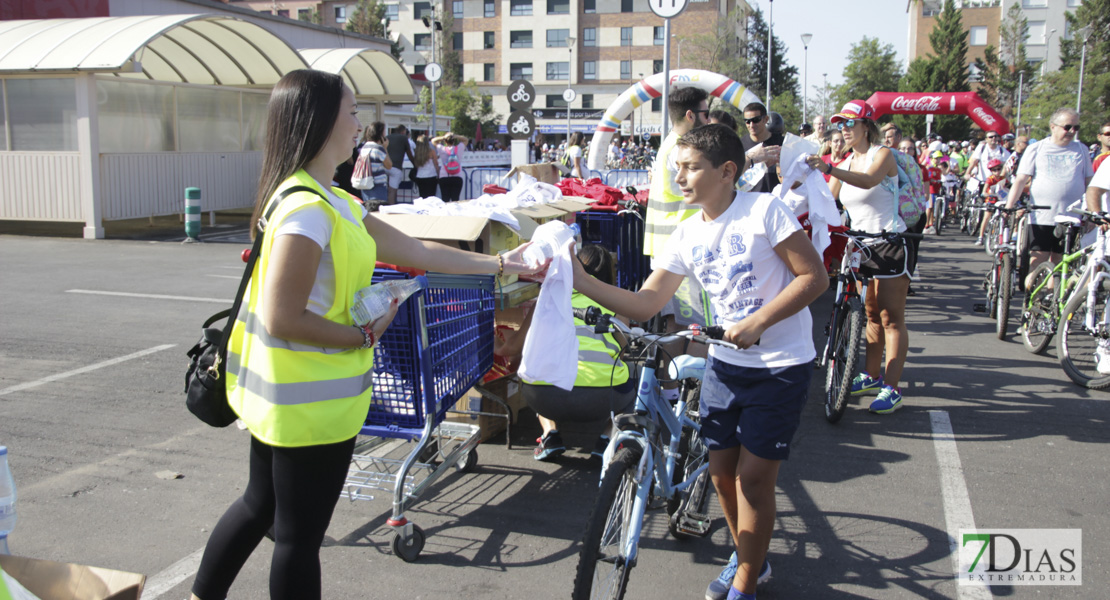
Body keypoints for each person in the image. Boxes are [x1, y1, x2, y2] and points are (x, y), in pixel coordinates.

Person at [188, 69, 539, 600]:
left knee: (260, 506)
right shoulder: (307, 210)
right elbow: (285, 318)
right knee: (298, 540)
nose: (359, 125)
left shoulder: (335, 202)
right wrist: (362, 337)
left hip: (287, 398)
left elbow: (419, 253)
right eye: (351, 113)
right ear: (323, 121)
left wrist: (500, 263)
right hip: (308, 406)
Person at [573, 124, 827, 600]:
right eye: (677, 168)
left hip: (780, 365)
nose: (680, 177)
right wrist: (581, 281)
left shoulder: (764, 210)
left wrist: (759, 322)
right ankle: (749, 554)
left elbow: (814, 277)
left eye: (690, 168)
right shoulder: (686, 232)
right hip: (725, 366)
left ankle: (746, 582)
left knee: (753, 478)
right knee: (718, 473)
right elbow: (648, 302)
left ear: (727, 171)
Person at [805, 100, 912, 414]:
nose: (845, 130)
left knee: (891, 317)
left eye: (851, 124)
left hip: (889, 241)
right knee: (870, 313)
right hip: (859, 244)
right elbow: (829, 196)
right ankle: (871, 374)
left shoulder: (882, 155)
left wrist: (828, 167)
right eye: (841, 125)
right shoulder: (847, 160)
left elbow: (868, 181)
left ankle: (892, 388)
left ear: (867, 125)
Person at [500, 245, 636, 461]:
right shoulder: (614, 303)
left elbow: (512, 348)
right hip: (601, 397)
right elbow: (625, 347)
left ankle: (549, 433)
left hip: (543, 396)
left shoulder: (548, 299)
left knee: (535, 367)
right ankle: (607, 438)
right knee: (632, 375)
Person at [1004, 108, 1094, 290]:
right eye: (1067, 127)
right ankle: (1032, 303)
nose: (1071, 131)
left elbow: (1089, 182)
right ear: (1053, 127)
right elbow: (1021, 180)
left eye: (1076, 128)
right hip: (1042, 214)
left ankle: (1048, 301)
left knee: (1060, 262)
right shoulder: (1037, 148)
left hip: (1071, 217)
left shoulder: (1081, 149)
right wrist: (1009, 206)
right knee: (1039, 259)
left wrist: (1091, 213)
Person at [740, 102, 783, 194]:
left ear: (766, 119)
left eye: (756, 120)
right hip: (750, 202)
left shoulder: (781, 143)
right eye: (747, 121)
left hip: (777, 200)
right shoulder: (739, 145)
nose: (751, 125)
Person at [357, 122, 390, 205]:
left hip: (364, 183)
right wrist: (385, 148)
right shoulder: (378, 148)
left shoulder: (364, 147)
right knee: (378, 210)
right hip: (377, 185)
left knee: (369, 209)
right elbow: (389, 165)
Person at [431, 132, 469, 202]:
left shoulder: (441, 149)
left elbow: (433, 140)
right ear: (454, 141)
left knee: (445, 199)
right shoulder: (459, 148)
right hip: (457, 176)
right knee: (455, 199)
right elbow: (466, 140)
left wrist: (444, 137)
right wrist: (455, 136)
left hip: (444, 176)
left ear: (445, 141)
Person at [385, 125, 416, 205]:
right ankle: (391, 207)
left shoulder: (386, 137)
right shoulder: (404, 138)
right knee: (392, 190)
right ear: (403, 132)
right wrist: (415, 165)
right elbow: (409, 154)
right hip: (396, 167)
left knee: (386, 189)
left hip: (384, 166)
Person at [411, 134, 440, 199]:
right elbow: (436, 164)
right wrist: (438, 174)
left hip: (420, 176)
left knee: (422, 196)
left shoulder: (416, 152)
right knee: (431, 197)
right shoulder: (431, 151)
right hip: (431, 176)